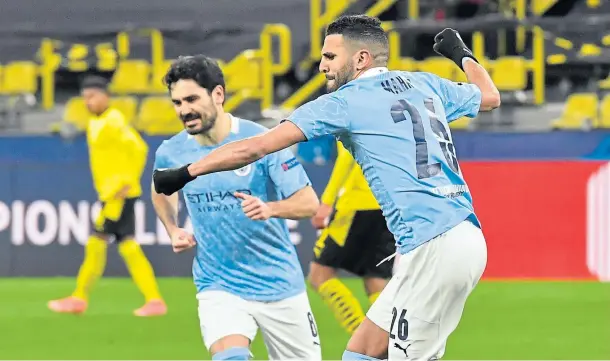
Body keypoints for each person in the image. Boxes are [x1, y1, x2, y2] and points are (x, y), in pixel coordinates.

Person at [152, 15, 501, 361]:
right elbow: (489, 96)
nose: (321, 66)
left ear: (360, 59)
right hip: (455, 235)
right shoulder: (425, 84)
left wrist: (187, 172)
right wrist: (461, 54)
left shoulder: (344, 102)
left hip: (435, 247)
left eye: (330, 57)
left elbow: (255, 147)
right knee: (360, 352)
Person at [150, 55, 322, 361]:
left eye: (191, 99)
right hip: (219, 284)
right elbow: (161, 190)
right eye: (177, 102)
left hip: (280, 284)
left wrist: (270, 209)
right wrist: (172, 228)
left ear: (218, 94)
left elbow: (308, 203)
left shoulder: (261, 141)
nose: (184, 110)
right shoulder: (171, 152)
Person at [48, 75, 166, 317]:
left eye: (92, 97)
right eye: (85, 99)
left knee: (97, 241)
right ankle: (154, 301)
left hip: (118, 195)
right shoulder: (98, 122)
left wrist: (127, 181)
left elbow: (139, 148)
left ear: (105, 96)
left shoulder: (113, 121)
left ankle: (79, 298)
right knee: (127, 245)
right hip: (113, 194)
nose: (88, 102)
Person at [308, 140, 395, 335]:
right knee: (376, 280)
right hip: (386, 205)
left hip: (356, 204)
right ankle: (392, 342)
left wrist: (327, 202)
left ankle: (361, 337)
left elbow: (347, 155)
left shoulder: (350, 111)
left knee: (319, 275)